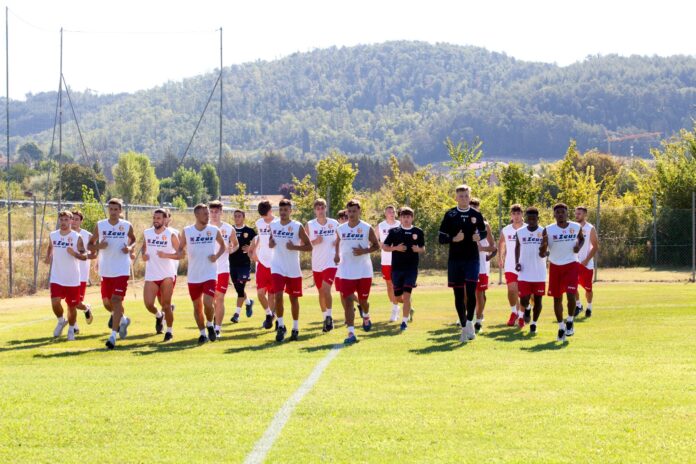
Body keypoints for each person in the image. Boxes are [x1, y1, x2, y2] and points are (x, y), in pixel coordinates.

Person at [438, 185, 487, 343]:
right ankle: (465, 326)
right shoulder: (450, 214)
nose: (464, 199)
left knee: (471, 293)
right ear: (456, 198)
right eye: (461, 196)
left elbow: (484, 231)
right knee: (458, 295)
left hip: (472, 259)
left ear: (469, 196)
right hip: (455, 261)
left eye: (466, 196)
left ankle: (470, 322)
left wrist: (478, 236)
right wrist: (454, 239)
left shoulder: (476, 214)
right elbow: (441, 238)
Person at [88, 198, 136, 350]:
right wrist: (98, 246)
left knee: (116, 300)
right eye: (111, 209)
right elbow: (90, 244)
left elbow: (134, 240)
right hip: (106, 270)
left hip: (122, 269)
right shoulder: (100, 225)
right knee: (107, 303)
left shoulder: (126, 225)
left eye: (116, 209)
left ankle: (112, 336)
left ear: (120, 211)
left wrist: (129, 248)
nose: (114, 212)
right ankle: (123, 319)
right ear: (108, 209)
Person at [177, 204, 227, 344]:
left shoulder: (214, 230)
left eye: (207, 213)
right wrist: (180, 252)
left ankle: (210, 325)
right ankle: (202, 333)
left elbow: (223, 246)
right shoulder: (187, 231)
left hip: (210, 273)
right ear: (197, 215)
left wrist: (216, 256)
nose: (208, 215)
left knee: (208, 303)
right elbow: (180, 248)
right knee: (197, 306)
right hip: (193, 276)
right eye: (205, 213)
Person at [335, 199, 380, 344]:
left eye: (354, 211)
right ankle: (351, 333)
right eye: (349, 211)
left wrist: (364, 251)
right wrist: (336, 255)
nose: (351, 214)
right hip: (346, 271)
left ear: (359, 211)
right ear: (346, 212)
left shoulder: (367, 228)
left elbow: (376, 246)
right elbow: (337, 243)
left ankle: (366, 315)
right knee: (348, 301)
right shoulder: (341, 229)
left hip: (363, 271)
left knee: (363, 301)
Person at [268, 199, 312, 342]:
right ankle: (280, 326)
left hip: (293, 268)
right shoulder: (273, 225)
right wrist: (271, 243)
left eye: (286, 210)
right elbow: (270, 242)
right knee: (278, 295)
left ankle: (295, 327)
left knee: (293, 299)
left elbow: (309, 247)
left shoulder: (297, 226)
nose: (283, 213)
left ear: (290, 211)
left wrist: (295, 247)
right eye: (281, 210)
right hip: (277, 266)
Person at [540, 203, 585, 342]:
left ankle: (570, 321)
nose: (560, 214)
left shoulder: (576, 227)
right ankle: (560, 327)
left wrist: (578, 245)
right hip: (555, 266)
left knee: (571, 295)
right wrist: (544, 246)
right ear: (554, 215)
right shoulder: (548, 230)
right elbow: (542, 253)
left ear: (567, 213)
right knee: (557, 298)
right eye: (557, 212)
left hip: (571, 264)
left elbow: (581, 239)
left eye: (563, 212)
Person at [382, 207, 425, 331]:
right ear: (400, 218)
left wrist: (418, 250)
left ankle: (404, 322)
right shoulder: (394, 232)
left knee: (406, 296)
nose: (406, 219)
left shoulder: (418, 231)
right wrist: (395, 248)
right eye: (404, 217)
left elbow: (423, 248)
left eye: (408, 217)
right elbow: (385, 247)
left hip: (411, 269)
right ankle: (409, 308)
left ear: (412, 218)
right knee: (398, 297)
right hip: (396, 269)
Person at [46, 211, 87, 340]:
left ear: (71, 221)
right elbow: (49, 247)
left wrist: (74, 254)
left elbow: (84, 256)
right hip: (57, 277)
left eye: (66, 220)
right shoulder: (53, 235)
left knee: (72, 306)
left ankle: (71, 329)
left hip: (72, 278)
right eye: (61, 220)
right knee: (55, 302)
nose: (63, 222)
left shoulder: (76, 237)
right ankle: (60, 321)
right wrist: (48, 257)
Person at [141, 208, 179, 341]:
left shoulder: (171, 234)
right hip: (151, 274)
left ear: (164, 219)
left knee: (166, 305)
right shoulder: (147, 233)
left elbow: (181, 254)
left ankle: (169, 331)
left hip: (167, 275)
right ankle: (158, 316)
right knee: (148, 304)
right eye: (154, 218)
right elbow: (144, 248)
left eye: (158, 218)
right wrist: (143, 256)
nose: (156, 220)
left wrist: (166, 255)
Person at [306, 198, 339, 333]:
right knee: (320, 292)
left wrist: (337, 247)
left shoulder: (334, 223)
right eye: (317, 208)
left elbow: (341, 238)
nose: (320, 210)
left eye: (322, 208)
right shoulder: (310, 225)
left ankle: (329, 317)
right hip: (317, 263)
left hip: (331, 262)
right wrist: (314, 241)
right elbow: (304, 244)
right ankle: (325, 317)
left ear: (326, 208)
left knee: (326, 290)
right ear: (315, 210)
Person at [209, 200, 239, 339]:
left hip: (222, 269)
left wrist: (232, 249)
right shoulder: (205, 228)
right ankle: (210, 324)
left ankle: (217, 329)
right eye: (212, 212)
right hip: (207, 270)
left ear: (221, 212)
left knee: (219, 299)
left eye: (217, 212)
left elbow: (236, 244)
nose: (214, 214)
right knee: (210, 300)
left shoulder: (228, 228)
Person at [514, 207, 547, 334]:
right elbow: (517, 247)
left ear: (538, 218)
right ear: (526, 218)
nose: (532, 220)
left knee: (538, 301)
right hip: (524, 272)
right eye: (530, 218)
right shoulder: (520, 232)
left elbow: (545, 249)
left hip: (539, 273)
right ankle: (527, 308)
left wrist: (545, 253)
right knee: (523, 299)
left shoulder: (543, 231)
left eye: (534, 218)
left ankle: (534, 323)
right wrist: (517, 262)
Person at [248, 200, 277, 330]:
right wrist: (254, 251)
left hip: (275, 263)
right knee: (260, 293)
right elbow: (260, 236)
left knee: (272, 294)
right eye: (263, 216)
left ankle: (272, 317)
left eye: (267, 215)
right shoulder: (259, 223)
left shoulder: (277, 223)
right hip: (262, 262)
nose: (265, 218)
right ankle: (268, 314)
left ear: (271, 210)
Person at [469, 198, 496, 333]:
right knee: (466, 295)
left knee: (480, 294)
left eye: (476, 207)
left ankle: (478, 321)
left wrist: (482, 249)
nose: (473, 209)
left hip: (481, 267)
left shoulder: (485, 225)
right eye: (471, 207)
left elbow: (493, 247)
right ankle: (468, 319)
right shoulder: (462, 223)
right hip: (466, 265)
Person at [499, 204, 527, 327]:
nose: (516, 216)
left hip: (526, 266)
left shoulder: (528, 228)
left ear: (522, 214)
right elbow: (501, 243)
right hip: (510, 265)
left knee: (524, 293)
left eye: (518, 213)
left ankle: (521, 316)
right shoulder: (506, 229)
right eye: (514, 214)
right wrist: (500, 258)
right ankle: (513, 312)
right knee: (511, 290)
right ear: (511, 215)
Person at [228, 209, 256, 323]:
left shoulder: (249, 231)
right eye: (235, 216)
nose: (237, 218)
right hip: (232, 263)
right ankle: (249, 302)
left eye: (239, 216)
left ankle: (236, 314)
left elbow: (258, 243)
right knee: (238, 288)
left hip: (244, 264)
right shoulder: (230, 229)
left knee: (240, 288)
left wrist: (250, 248)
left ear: (243, 217)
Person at [70, 210, 96, 329]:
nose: (73, 222)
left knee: (77, 303)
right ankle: (74, 327)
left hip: (81, 275)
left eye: (76, 219)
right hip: (68, 274)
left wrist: (86, 256)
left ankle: (86, 309)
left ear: (81, 221)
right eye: (72, 219)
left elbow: (95, 253)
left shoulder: (87, 235)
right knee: (70, 303)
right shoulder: (65, 235)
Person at [574, 206, 599, 317]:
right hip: (574, 262)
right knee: (572, 286)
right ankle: (578, 305)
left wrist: (586, 260)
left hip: (586, 264)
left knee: (588, 288)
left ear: (585, 215)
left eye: (579, 213)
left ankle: (589, 306)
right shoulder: (572, 227)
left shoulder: (590, 228)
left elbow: (595, 246)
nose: (577, 215)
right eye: (576, 213)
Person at [378, 205, 402, 321]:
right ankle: (395, 308)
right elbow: (373, 239)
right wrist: (379, 245)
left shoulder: (399, 225)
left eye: (393, 212)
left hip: (398, 260)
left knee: (398, 285)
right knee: (389, 285)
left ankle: (405, 303)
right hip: (386, 260)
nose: (391, 213)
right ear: (385, 214)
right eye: (389, 212)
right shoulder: (381, 226)